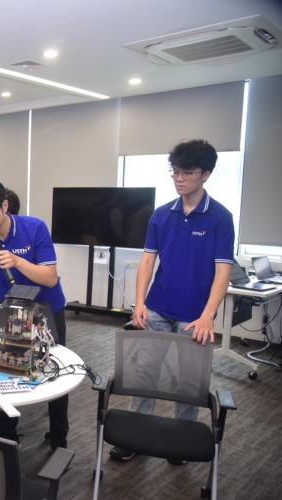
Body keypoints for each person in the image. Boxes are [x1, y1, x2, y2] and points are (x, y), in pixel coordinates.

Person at [109, 139, 234, 464]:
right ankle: (135, 436)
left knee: (190, 382)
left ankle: (181, 440)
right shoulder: (162, 215)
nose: (179, 178)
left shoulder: (220, 217)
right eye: (175, 172)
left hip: (195, 317)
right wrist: (139, 303)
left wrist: (208, 316)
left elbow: (223, 272)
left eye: (187, 172)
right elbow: (148, 261)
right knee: (145, 373)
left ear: (205, 174)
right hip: (158, 308)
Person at [0, 179, 69, 450]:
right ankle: (6, 433)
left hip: (47, 311)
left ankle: (59, 438)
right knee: (8, 371)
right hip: (10, 314)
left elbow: (50, 278)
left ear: (4, 205)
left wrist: (18, 261)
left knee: (55, 373)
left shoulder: (34, 228)